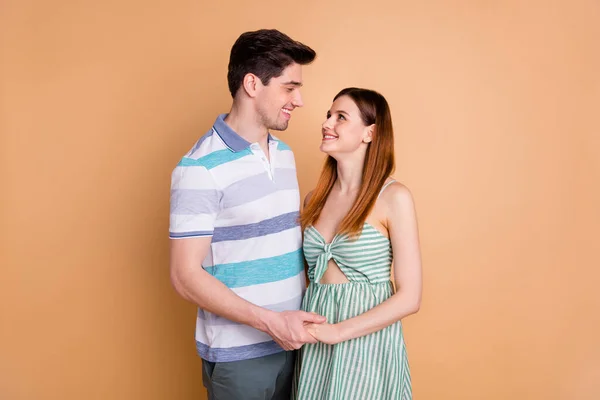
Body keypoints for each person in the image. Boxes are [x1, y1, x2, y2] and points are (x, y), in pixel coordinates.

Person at [168, 29, 325, 400]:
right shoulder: (199, 168)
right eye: (289, 88)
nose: (299, 100)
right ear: (252, 84)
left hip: (298, 346)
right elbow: (184, 276)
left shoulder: (284, 154)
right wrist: (272, 323)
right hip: (241, 360)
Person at [292, 87, 423, 400]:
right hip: (315, 347)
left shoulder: (394, 198)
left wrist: (338, 332)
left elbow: (410, 297)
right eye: (328, 115)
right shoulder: (314, 199)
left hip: (367, 346)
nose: (327, 123)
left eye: (340, 117)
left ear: (369, 133)